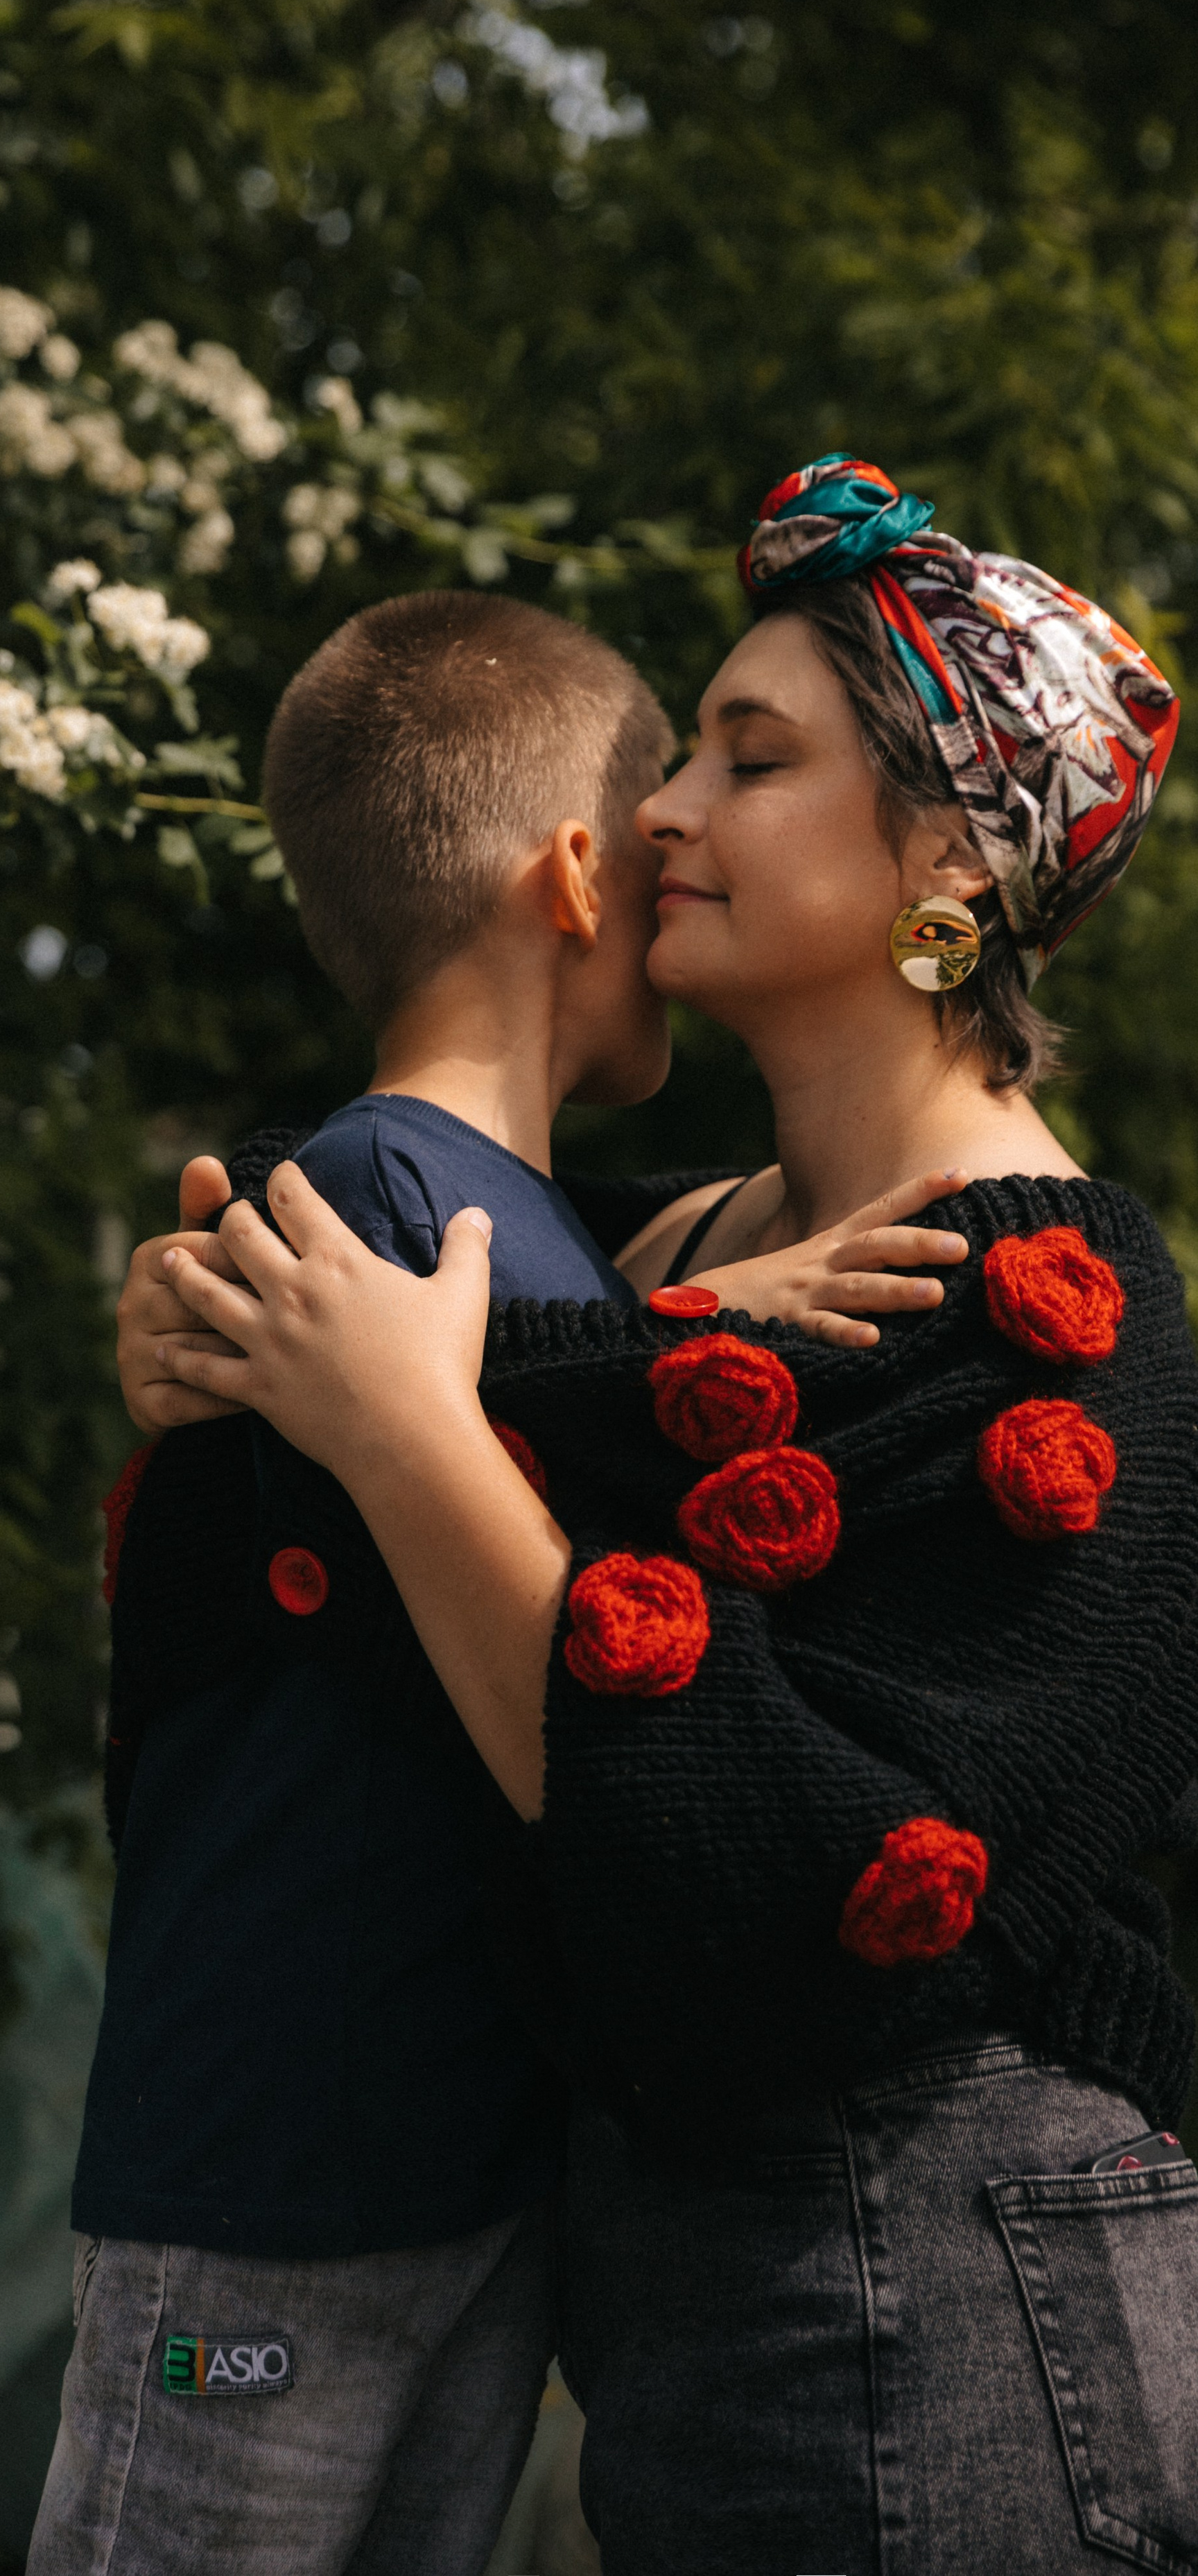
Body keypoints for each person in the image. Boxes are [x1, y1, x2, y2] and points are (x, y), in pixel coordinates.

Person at [145, 459, 1198, 2575]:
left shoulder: (1063, 1323)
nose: (663, 812)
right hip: (708, 2324)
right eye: (685, 751)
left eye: (754, 757)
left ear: (943, 868)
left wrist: (402, 1433)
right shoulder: (670, 1253)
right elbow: (406, 1250)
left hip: (968, 2317)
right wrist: (215, 1309)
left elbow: (808, 1900)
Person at [31, 585, 959, 2576]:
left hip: (450, 2189)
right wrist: (700, 1332)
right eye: (650, 846)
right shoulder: (360, 1206)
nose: (679, 874)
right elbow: (472, 1439)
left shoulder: (523, 1243)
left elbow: (511, 1416)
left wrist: (692, 1308)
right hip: (259, 2198)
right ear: (568, 877)